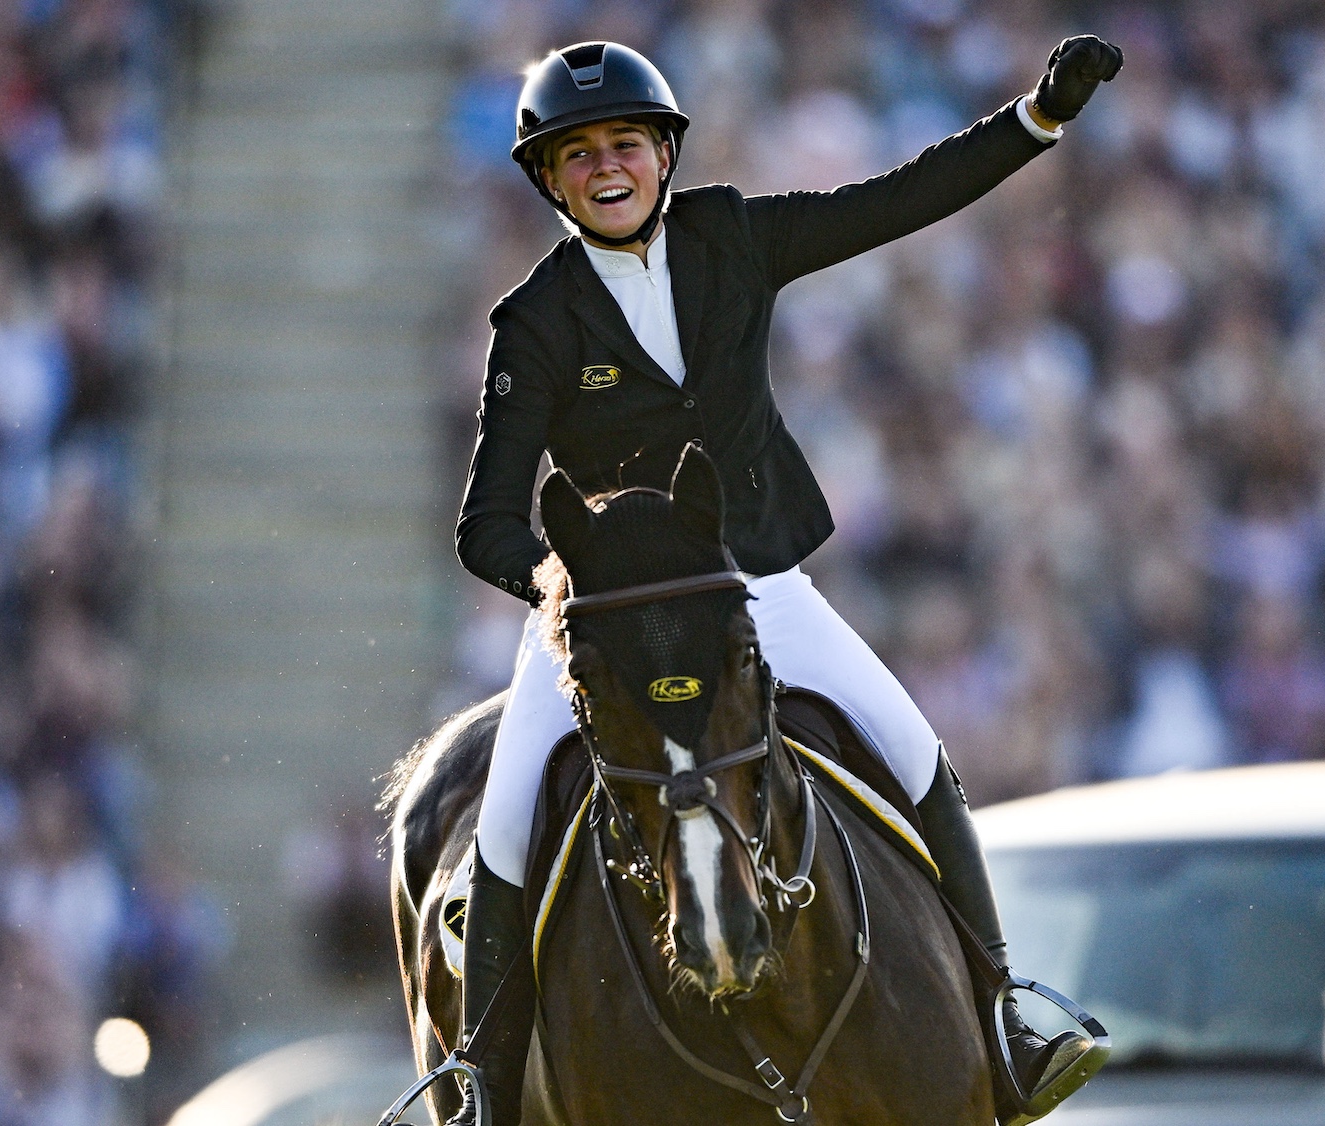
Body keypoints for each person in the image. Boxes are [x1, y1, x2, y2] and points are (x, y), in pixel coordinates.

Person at [452, 38, 1122, 1125]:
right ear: (546, 178)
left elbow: (893, 202)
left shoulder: (732, 236)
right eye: (576, 155)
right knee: (505, 812)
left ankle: (1004, 1009)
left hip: (750, 579)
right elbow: (483, 520)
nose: (605, 168)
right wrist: (561, 586)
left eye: (625, 143)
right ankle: (480, 1081)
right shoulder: (531, 321)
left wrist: (1035, 118)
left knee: (913, 753)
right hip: (605, 620)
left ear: (662, 154)